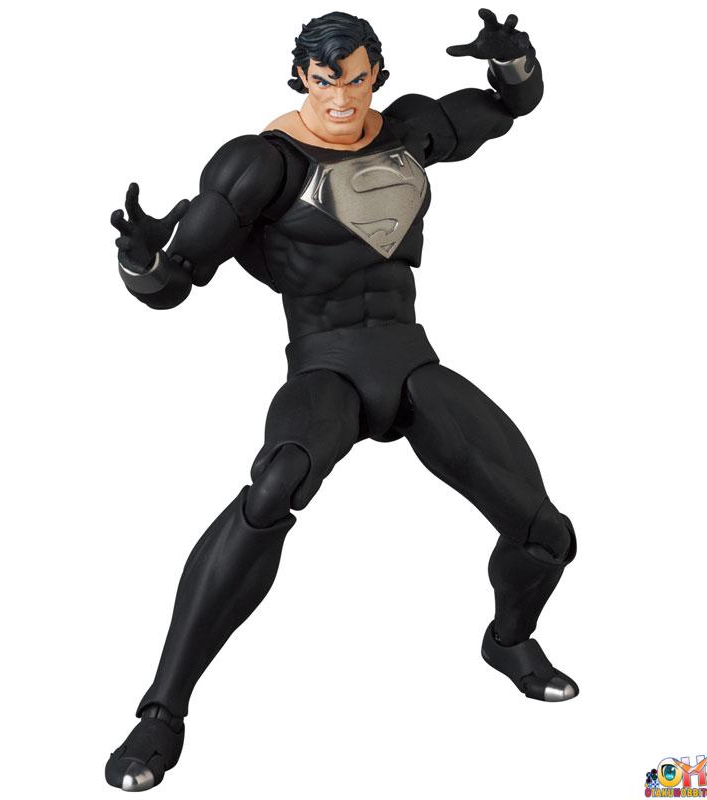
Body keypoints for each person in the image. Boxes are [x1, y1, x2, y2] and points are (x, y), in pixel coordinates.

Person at [107, 9, 578, 792]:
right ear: (302, 77)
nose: (341, 98)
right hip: (326, 370)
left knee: (547, 535)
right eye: (326, 81)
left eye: (356, 80)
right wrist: (140, 262)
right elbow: (174, 286)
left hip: (411, 362)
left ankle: (508, 641)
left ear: (376, 78)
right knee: (272, 488)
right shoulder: (261, 165)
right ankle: (162, 713)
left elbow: (509, 108)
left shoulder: (409, 132)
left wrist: (514, 60)